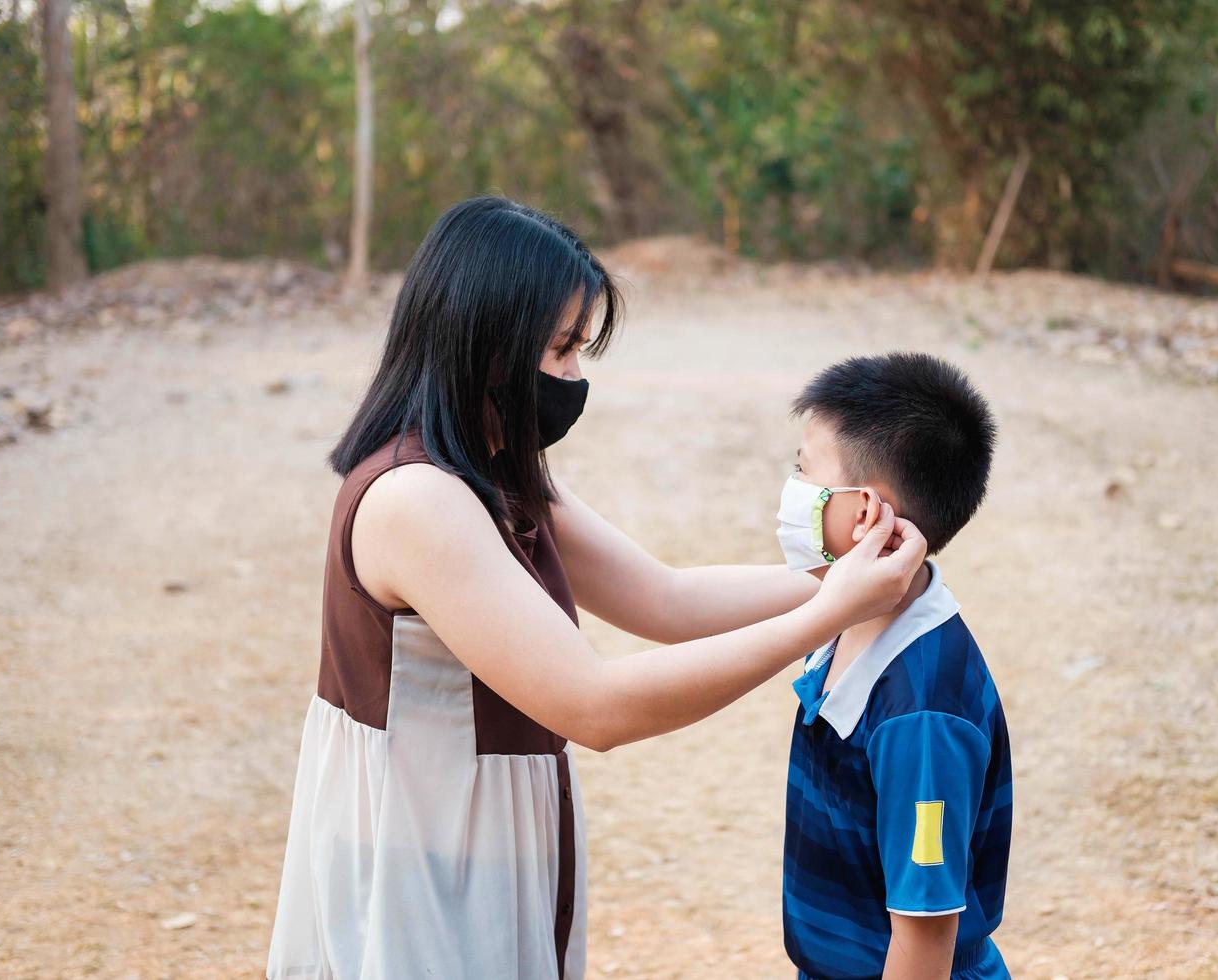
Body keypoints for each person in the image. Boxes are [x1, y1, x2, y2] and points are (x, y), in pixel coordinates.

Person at [265, 196, 927, 980]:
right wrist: (831, 612)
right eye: (560, 350)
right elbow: (594, 705)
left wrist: (839, 580)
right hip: (417, 856)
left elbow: (664, 599)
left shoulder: (494, 466)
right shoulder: (418, 500)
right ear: (488, 342)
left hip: (478, 838)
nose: (574, 378)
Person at [776, 353, 1011, 980]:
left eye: (803, 474)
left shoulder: (922, 714)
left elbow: (924, 942)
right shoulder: (848, 617)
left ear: (864, 514)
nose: (790, 493)